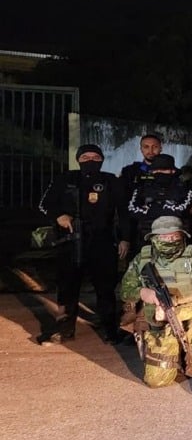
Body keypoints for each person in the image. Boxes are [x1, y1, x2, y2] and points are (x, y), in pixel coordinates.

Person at [118, 216, 192, 395]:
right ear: (153, 238)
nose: (169, 240)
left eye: (174, 236)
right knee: (156, 381)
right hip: (158, 321)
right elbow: (124, 290)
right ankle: (175, 354)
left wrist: (179, 312)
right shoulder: (143, 259)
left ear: (182, 236)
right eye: (163, 237)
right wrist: (143, 293)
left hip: (189, 314)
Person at [37, 143, 122, 343]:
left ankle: (110, 331)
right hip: (70, 241)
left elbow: (123, 212)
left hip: (102, 241)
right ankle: (65, 329)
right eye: (85, 158)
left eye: (95, 158)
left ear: (102, 160)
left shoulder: (111, 181)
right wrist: (59, 215)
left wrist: (124, 238)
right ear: (78, 160)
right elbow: (45, 204)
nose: (90, 161)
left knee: (105, 287)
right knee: (67, 286)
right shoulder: (64, 179)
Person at [123, 153, 192, 259]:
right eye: (156, 170)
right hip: (146, 239)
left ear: (172, 171)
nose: (160, 173)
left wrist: (151, 208)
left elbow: (182, 210)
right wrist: (166, 208)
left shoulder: (184, 189)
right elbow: (132, 210)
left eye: (164, 170)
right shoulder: (142, 188)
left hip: (175, 240)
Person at [117, 133, 163, 203]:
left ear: (161, 148)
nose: (151, 151)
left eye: (155, 147)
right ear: (141, 149)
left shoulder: (170, 171)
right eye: (146, 147)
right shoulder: (129, 171)